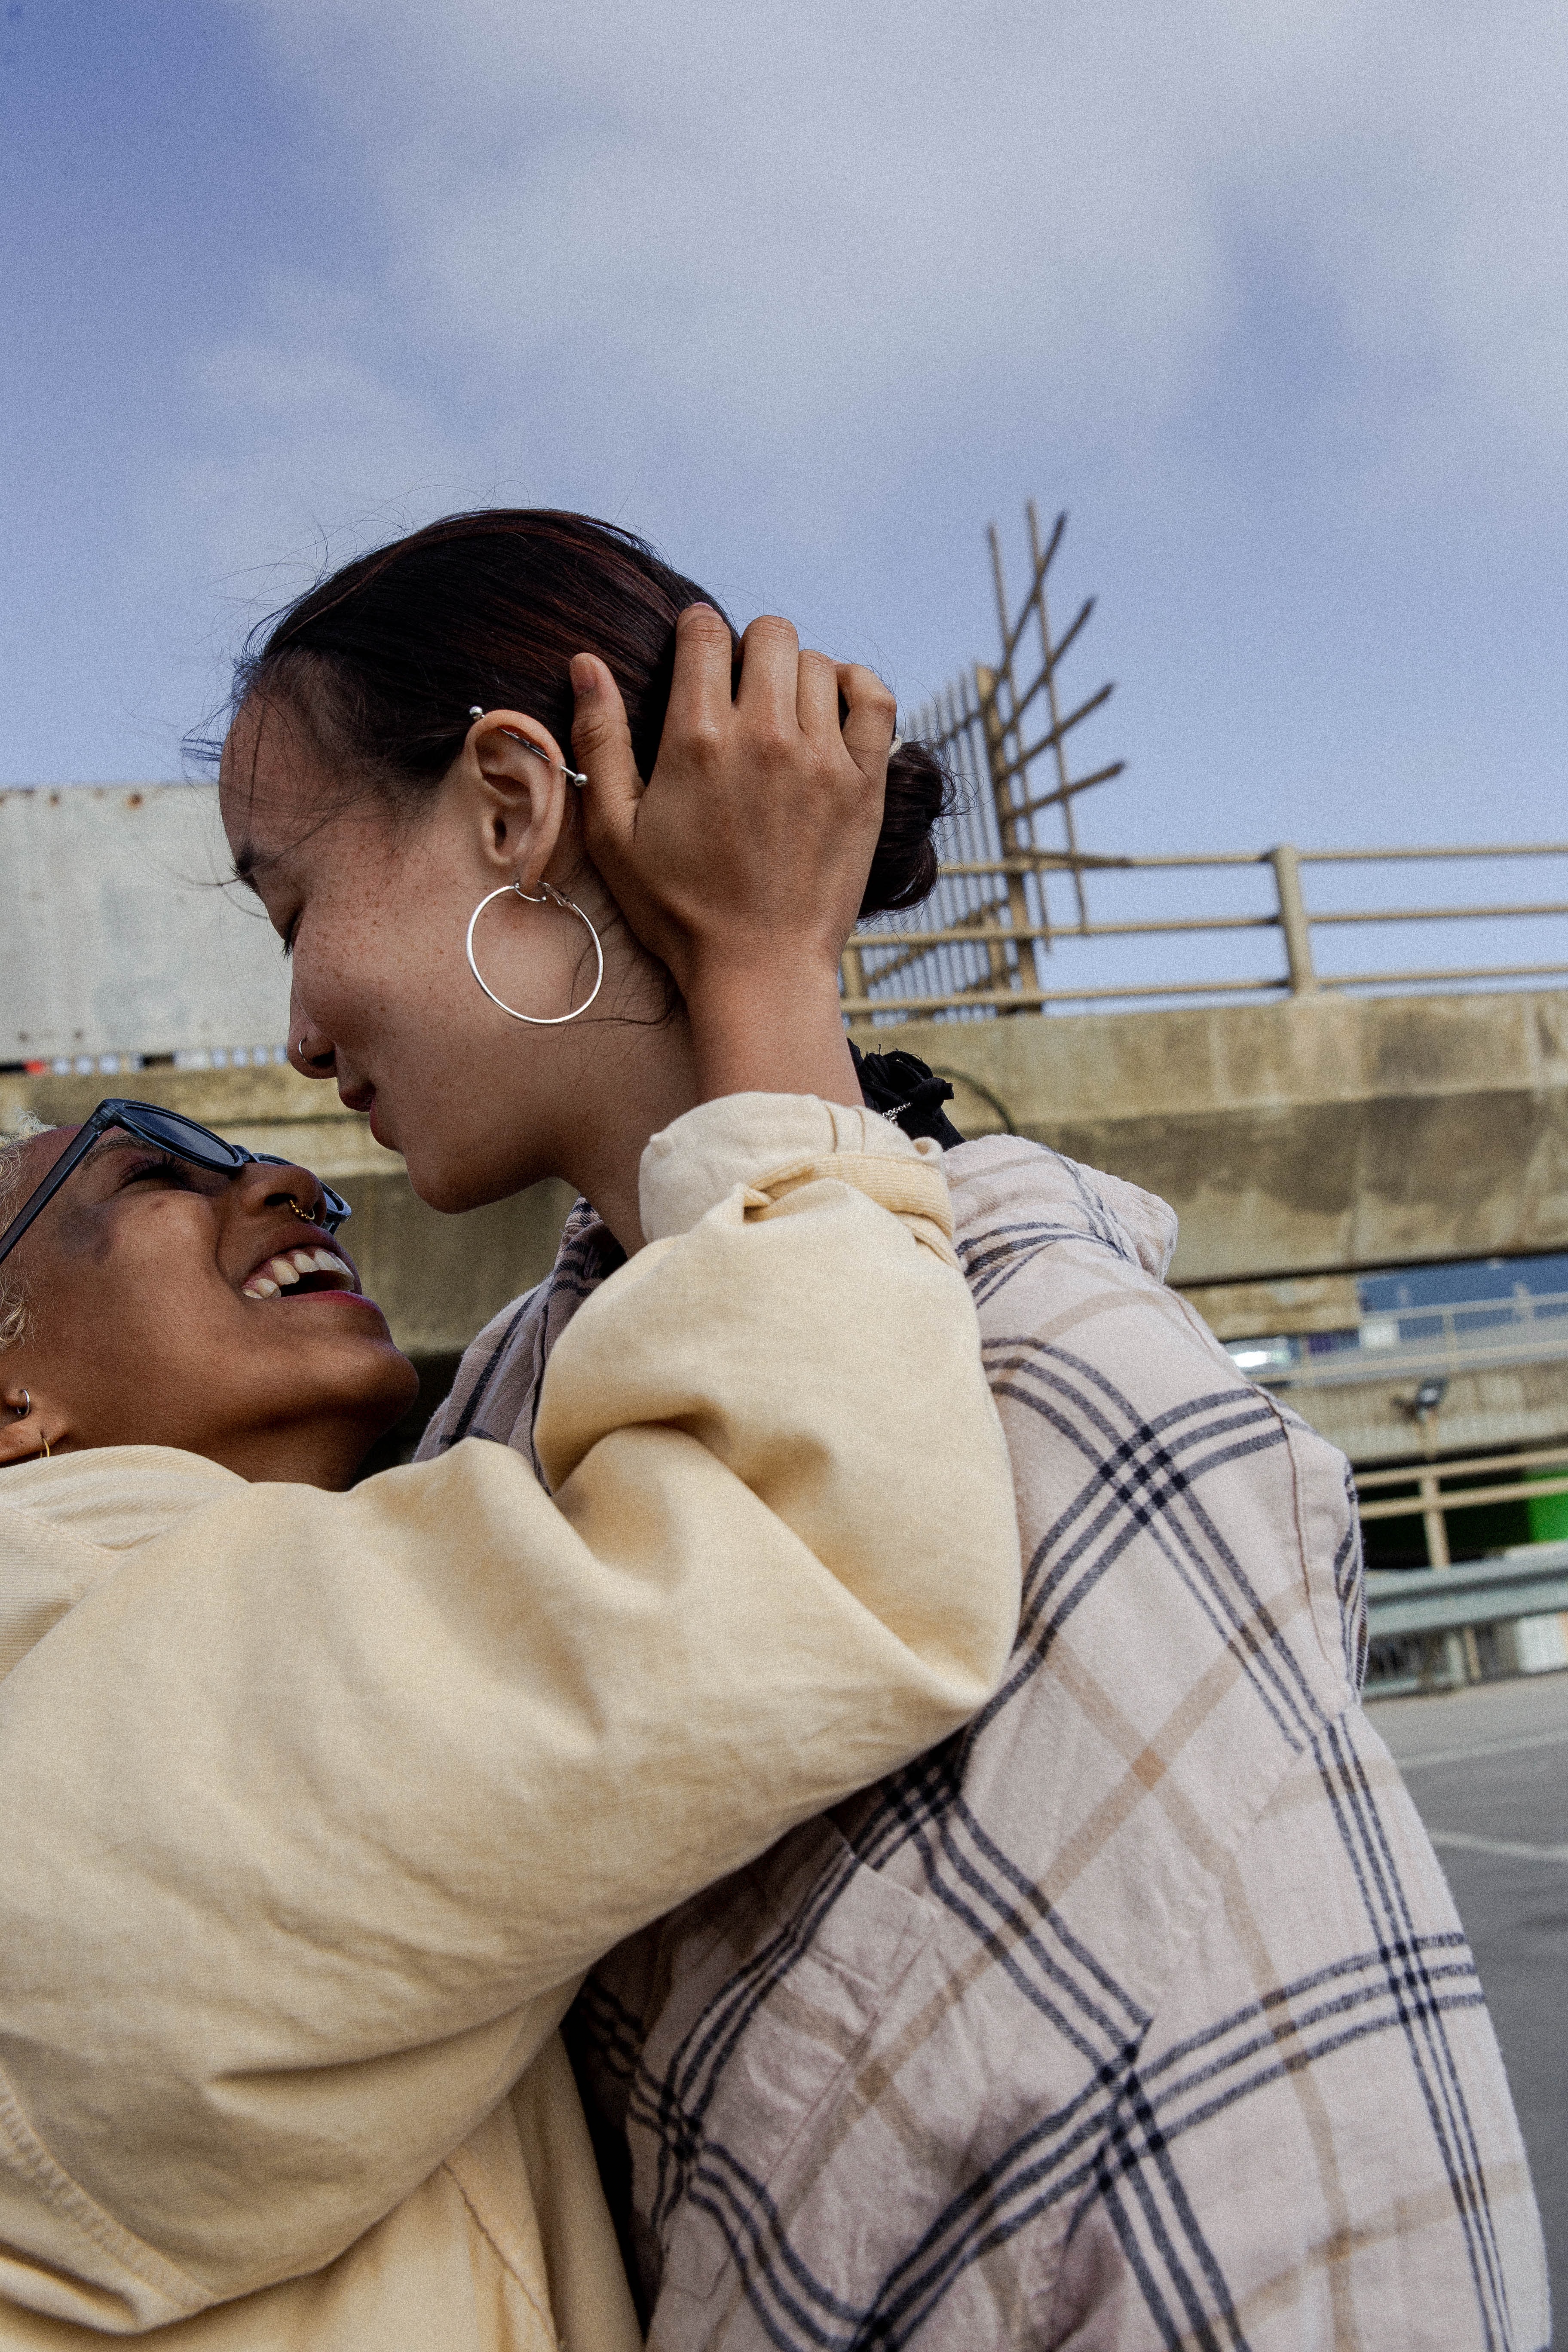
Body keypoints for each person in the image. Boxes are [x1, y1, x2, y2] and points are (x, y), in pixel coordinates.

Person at [197, 503, 1543, 2345]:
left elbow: (1316, 2201)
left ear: (512, 806)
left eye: (292, 907)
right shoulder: (504, 1410)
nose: (288, 1028)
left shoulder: (1053, 1354)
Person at [0, 627, 1023, 2349]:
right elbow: (800, 1539)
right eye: (147, 1157)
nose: (286, 1171)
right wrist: (769, 975)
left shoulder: (384, 1547)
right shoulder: (48, 1685)